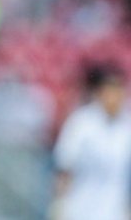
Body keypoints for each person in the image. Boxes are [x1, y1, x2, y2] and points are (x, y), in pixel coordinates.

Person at [51, 64, 131, 220]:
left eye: (119, 90)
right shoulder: (81, 123)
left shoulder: (127, 126)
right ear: (99, 93)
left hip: (115, 213)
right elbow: (65, 168)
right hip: (79, 211)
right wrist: (58, 206)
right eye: (111, 90)